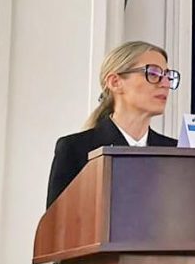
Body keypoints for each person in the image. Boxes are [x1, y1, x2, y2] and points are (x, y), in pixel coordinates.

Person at [46, 41, 179, 208]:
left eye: (168, 76)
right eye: (153, 73)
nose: (166, 84)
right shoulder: (76, 149)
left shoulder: (176, 152)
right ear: (115, 82)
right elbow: (58, 221)